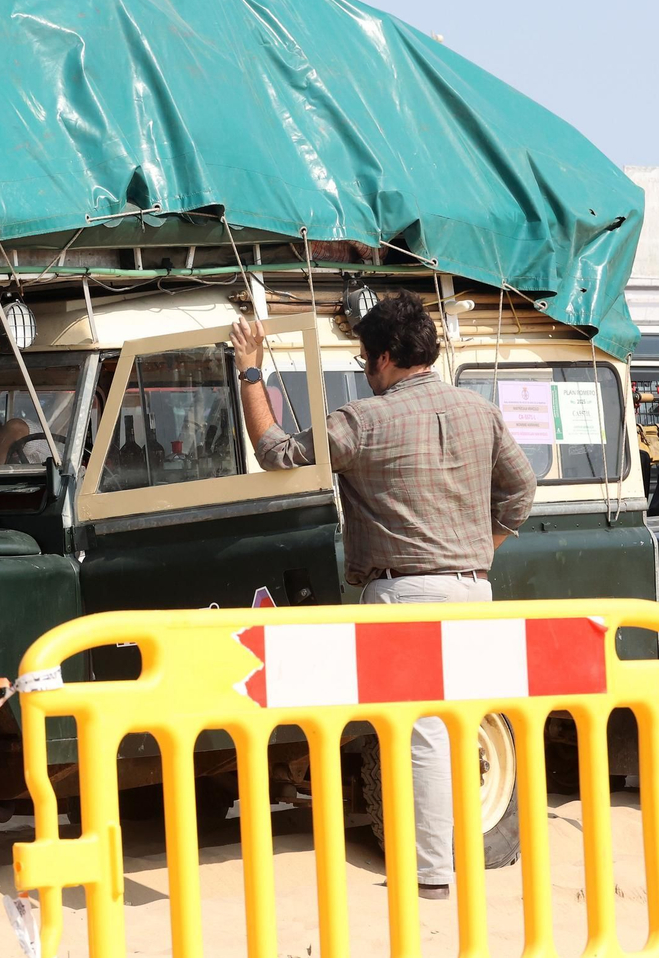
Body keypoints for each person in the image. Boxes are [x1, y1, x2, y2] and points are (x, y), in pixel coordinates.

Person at [231, 291, 537, 900]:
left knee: (419, 735)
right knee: (459, 726)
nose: (364, 368)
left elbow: (275, 453)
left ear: (388, 356)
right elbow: (522, 491)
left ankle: (431, 875)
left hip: (403, 597)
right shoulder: (479, 410)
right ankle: (455, 861)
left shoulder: (364, 420)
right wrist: (482, 548)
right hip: (473, 590)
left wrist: (250, 369)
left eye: (366, 356)